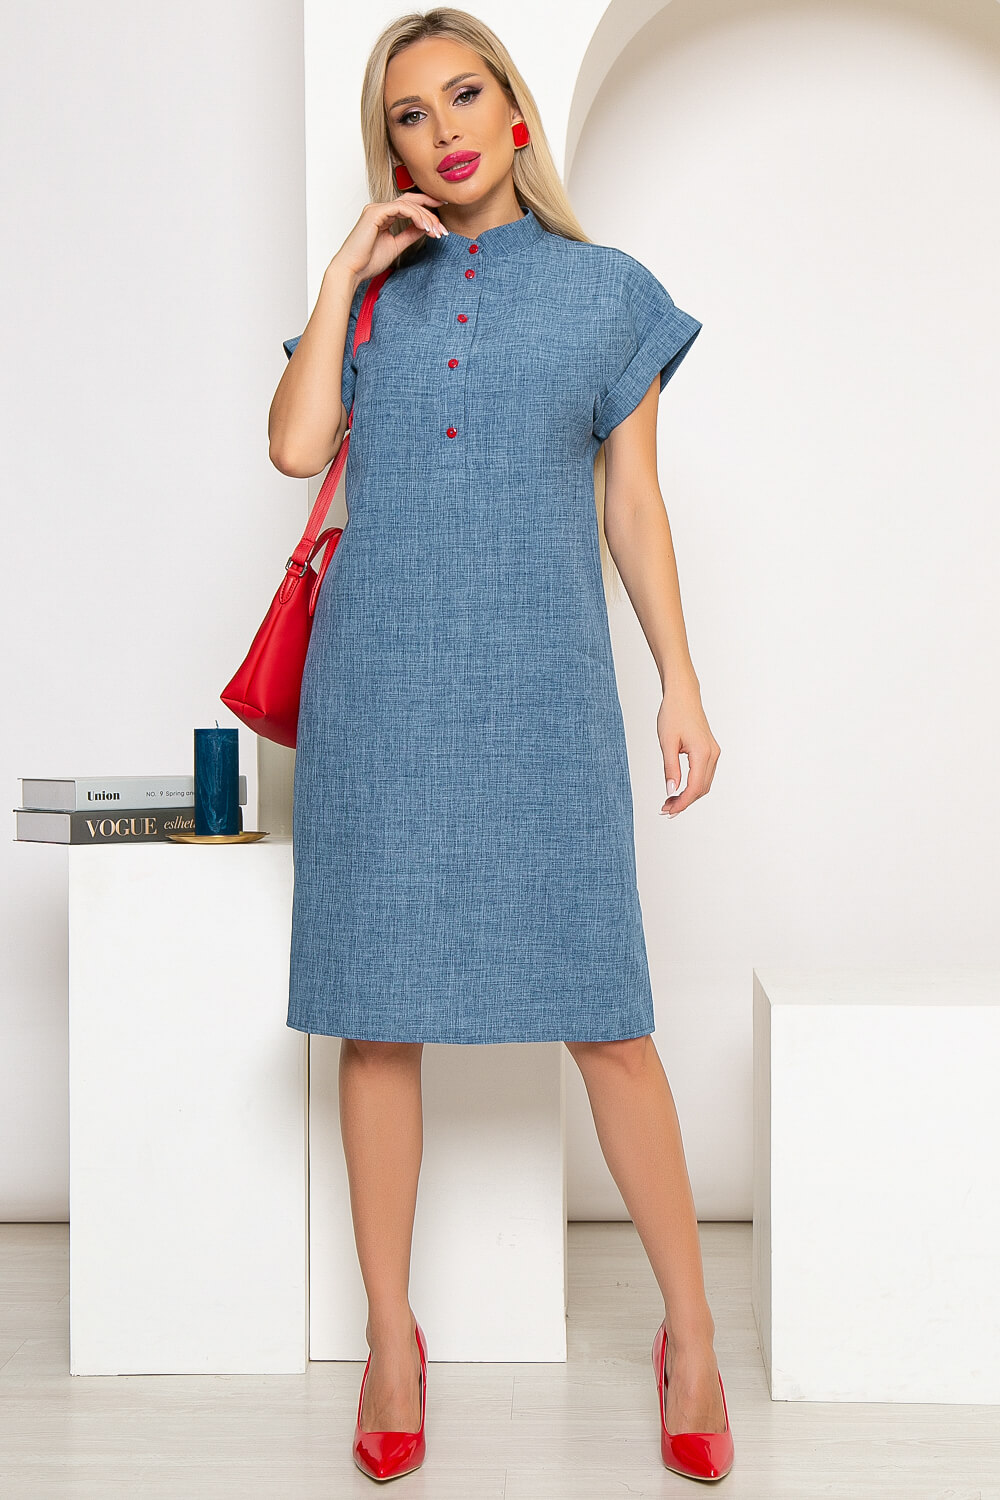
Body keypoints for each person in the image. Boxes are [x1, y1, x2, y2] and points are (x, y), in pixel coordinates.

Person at [268, 7, 731, 1486]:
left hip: (544, 695)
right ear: (392, 147)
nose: (443, 129)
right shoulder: (373, 297)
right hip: (379, 696)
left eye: (464, 95)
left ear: (515, 112)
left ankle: (694, 1336)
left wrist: (680, 681)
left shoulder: (607, 293)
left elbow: (635, 505)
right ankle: (390, 1340)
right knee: (376, 1015)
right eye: (409, 114)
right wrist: (344, 274)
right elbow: (294, 447)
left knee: (609, 1019)